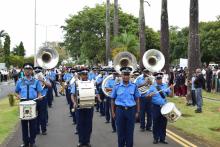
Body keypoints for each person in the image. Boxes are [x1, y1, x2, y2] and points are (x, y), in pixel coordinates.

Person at [111, 67, 140, 147]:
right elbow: (112, 100)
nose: (126, 76)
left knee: (130, 132)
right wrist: (113, 112)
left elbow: (137, 99)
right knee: (120, 132)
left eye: (127, 75)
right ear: (121, 75)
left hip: (131, 111)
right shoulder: (116, 86)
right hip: (120, 111)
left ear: (130, 76)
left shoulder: (134, 86)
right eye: (124, 74)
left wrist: (137, 112)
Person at [15, 63, 43, 147]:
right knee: (24, 124)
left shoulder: (36, 81)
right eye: (26, 69)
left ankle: (32, 141)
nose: (27, 71)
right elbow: (16, 92)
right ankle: (25, 142)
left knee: (33, 124)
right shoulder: (20, 81)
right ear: (23, 70)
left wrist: (39, 96)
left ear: (31, 71)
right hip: (23, 103)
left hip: (33, 103)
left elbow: (39, 92)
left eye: (29, 69)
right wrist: (19, 97)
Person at [146, 72, 174, 144]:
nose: (159, 80)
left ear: (162, 79)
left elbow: (171, 95)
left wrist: (172, 89)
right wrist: (150, 95)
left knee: (163, 123)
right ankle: (155, 138)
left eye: (160, 78)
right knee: (155, 123)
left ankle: (162, 138)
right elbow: (147, 96)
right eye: (158, 79)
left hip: (164, 107)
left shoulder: (165, 86)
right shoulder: (152, 87)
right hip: (155, 107)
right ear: (155, 79)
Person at [71, 69, 94, 147]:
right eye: (83, 75)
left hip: (89, 106)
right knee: (80, 124)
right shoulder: (76, 83)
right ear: (80, 75)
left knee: (88, 124)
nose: (85, 76)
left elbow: (95, 92)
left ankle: (87, 141)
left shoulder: (91, 83)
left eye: (86, 74)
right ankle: (81, 141)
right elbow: (72, 94)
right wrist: (74, 102)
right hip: (79, 107)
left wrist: (99, 98)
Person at [34, 66, 51, 135]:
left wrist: (42, 80)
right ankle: (37, 130)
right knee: (35, 115)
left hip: (43, 98)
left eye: (39, 71)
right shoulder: (32, 79)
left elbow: (50, 85)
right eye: (36, 71)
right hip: (34, 98)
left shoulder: (45, 77)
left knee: (42, 115)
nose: (38, 73)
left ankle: (43, 130)